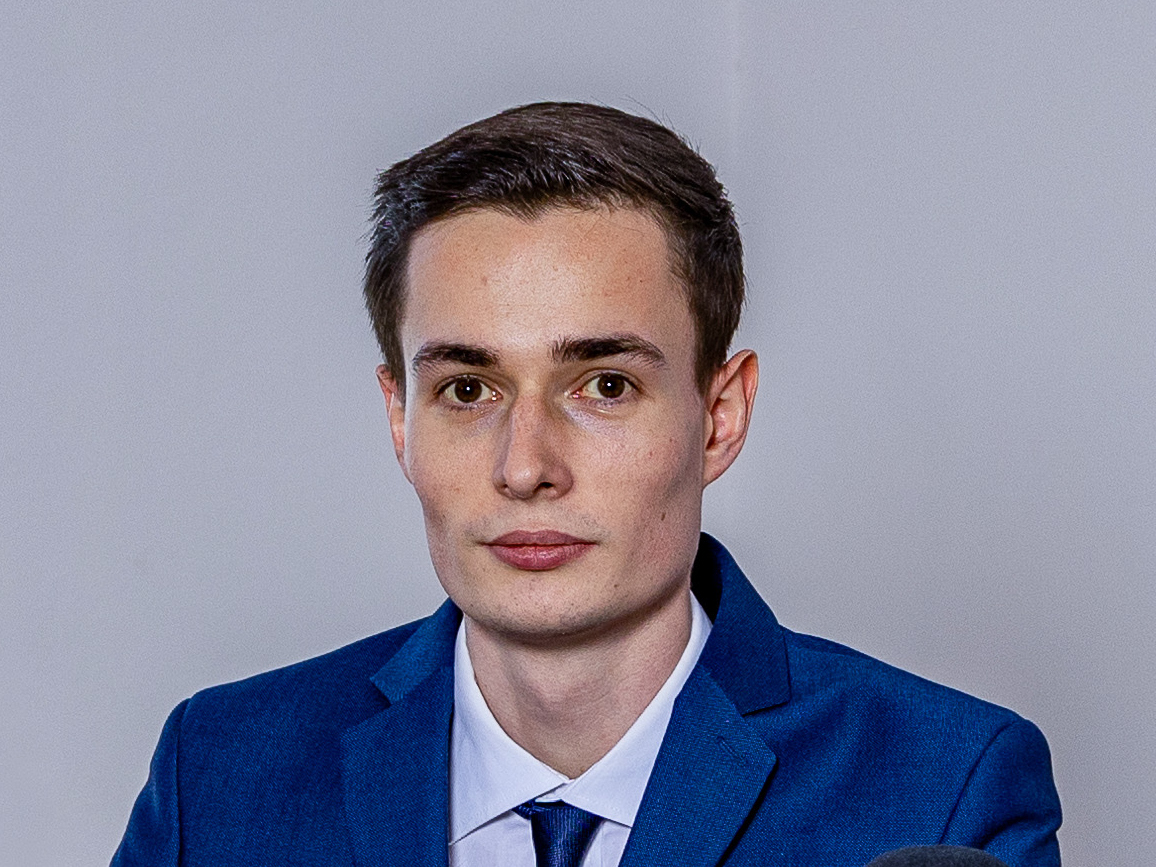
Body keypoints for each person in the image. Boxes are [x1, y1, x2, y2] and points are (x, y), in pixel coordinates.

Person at [111, 102, 1062, 867]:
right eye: (467, 389)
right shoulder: (219, 773)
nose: (525, 466)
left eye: (604, 386)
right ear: (400, 418)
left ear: (719, 416)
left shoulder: (944, 788)